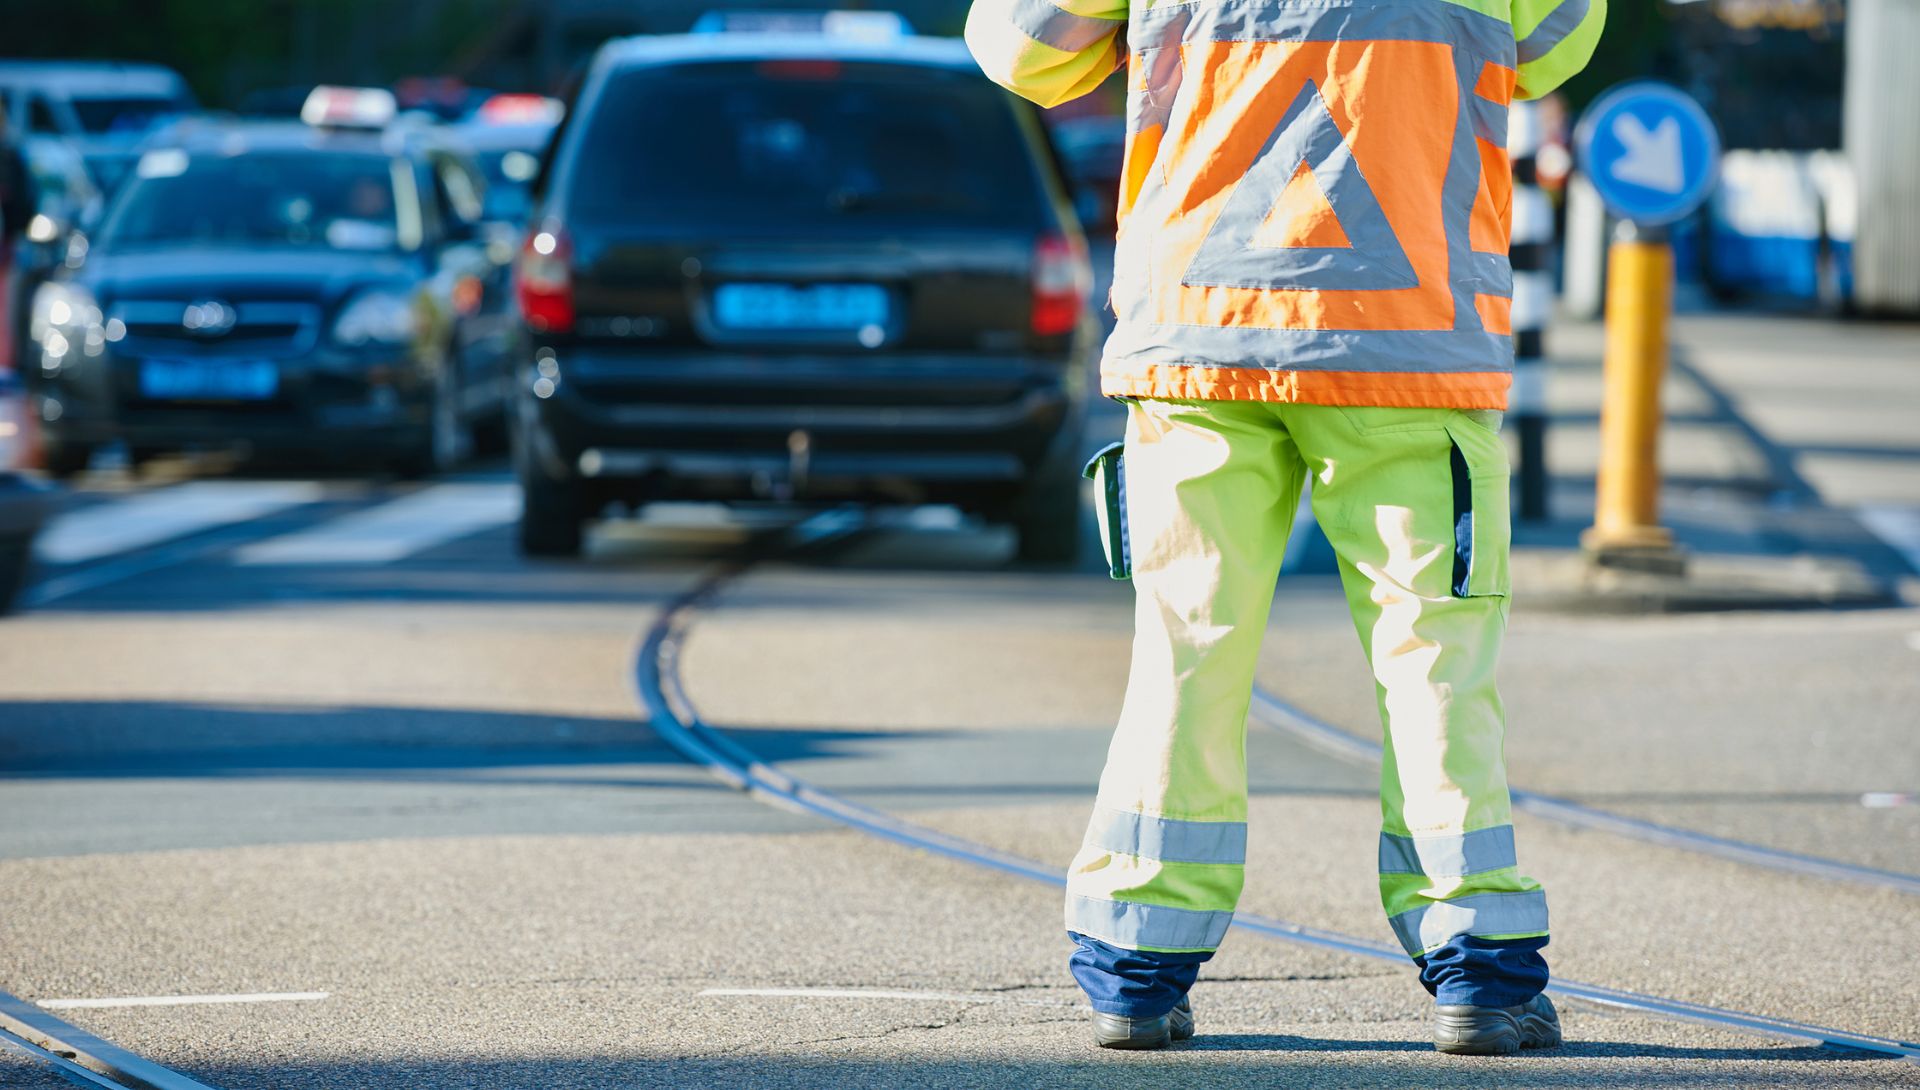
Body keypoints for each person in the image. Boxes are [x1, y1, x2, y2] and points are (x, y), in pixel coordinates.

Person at [966, 0, 1602, 1056]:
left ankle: (1136, 966)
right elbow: (1555, 49)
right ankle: (1479, 972)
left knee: (1187, 653)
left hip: (1199, 342)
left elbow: (1020, 50)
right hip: (1411, 347)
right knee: (1434, 658)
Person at [0, 103, 39, 374]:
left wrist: (16, 232)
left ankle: (4, 363)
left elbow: (24, 202)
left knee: (5, 307)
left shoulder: (11, 156)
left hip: (5, 245)